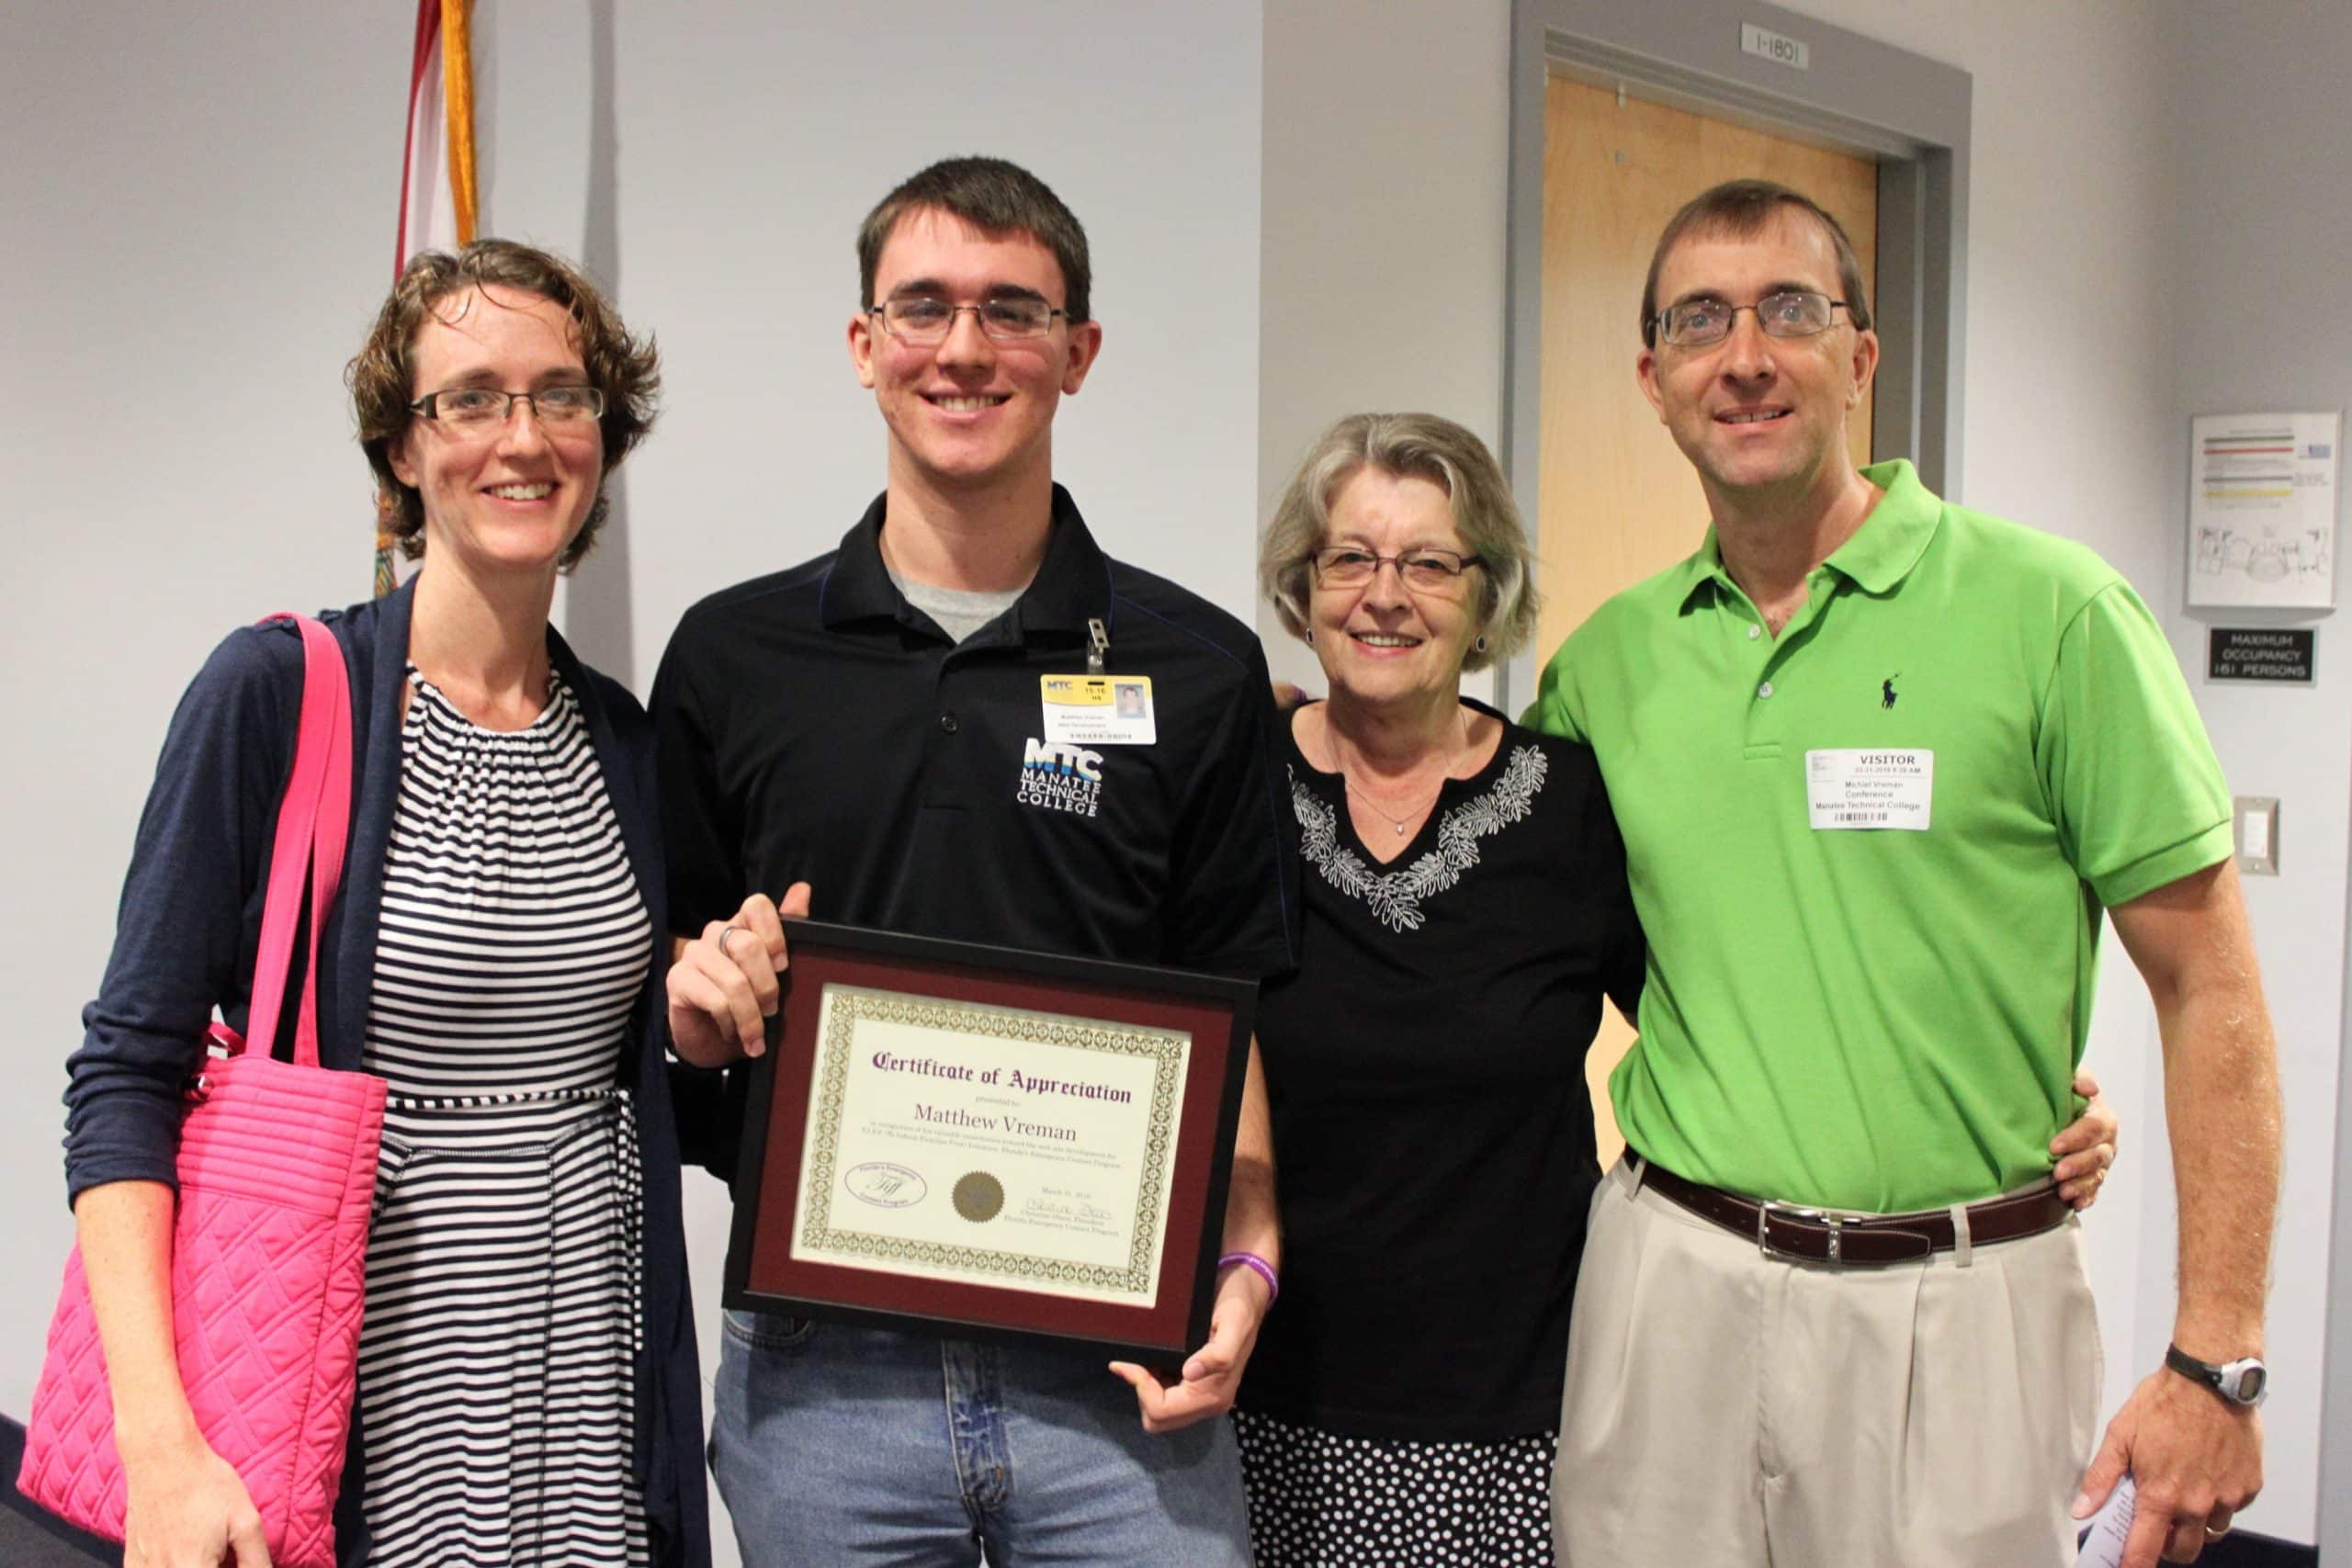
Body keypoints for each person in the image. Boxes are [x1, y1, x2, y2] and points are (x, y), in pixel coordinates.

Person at [1531, 178, 2280, 1567]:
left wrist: (2218, 1352)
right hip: (1674, 1286)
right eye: (1700, 319)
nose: (1744, 354)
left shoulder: (2054, 614)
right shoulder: (1607, 664)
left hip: (1964, 1302)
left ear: (1862, 357)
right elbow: (1511, 931)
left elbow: (2211, 981)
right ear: (1653, 377)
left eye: (1790, 311)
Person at [1238, 412, 2118, 1568]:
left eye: (1430, 562)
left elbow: (1736, 1007)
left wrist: (1984, 1092)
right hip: (1258, 1375)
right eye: (1348, 558)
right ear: (1303, 586)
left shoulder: (1564, 802)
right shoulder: (1231, 799)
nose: (1383, 595)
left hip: (1518, 1406)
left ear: (1486, 589)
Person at [654, 156, 1296, 1567]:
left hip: (1123, 1381)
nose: (963, 347)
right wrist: (696, 1017)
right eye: (924, 306)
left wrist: (1249, 1264)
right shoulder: (731, 657)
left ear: (1078, 351)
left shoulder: (1195, 668)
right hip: (825, 1377)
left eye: (1013, 309)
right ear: (863, 343)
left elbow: (1231, 998)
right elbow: (671, 1005)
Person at [62, 241, 712, 1568]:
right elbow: (127, 1073)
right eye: (468, 396)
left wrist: (711, 1012)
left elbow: (649, 1082)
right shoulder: (279, 693)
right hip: (345, 1410)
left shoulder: (627, 743)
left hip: (580, 1402)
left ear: (604, 432)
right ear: (402, 450)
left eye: (561, 394)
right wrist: (161, 1443)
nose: (520, 435)